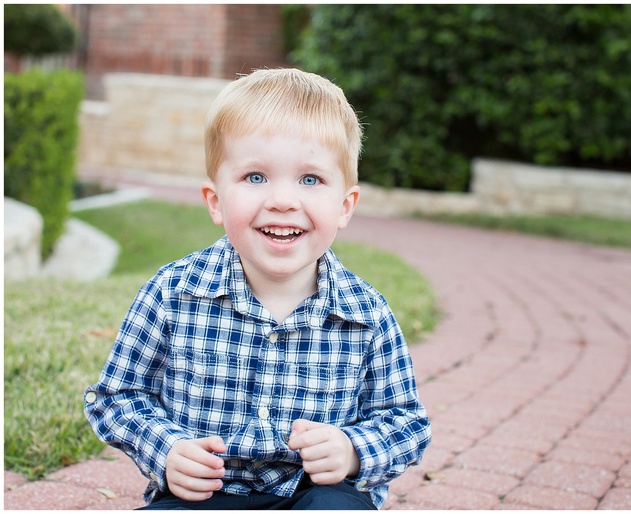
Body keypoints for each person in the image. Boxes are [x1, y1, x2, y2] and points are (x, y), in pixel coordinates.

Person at [83, 68, 431, 510]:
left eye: (310, 180)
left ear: (345, 206)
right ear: (215, 200)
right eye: (255, 177)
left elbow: (406, 423)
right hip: (206, 491)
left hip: (314, 493)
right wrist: (167, 450)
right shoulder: (173, 293)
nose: (282, 201)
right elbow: (116, 397)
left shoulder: (365, 314)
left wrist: (352, 450)